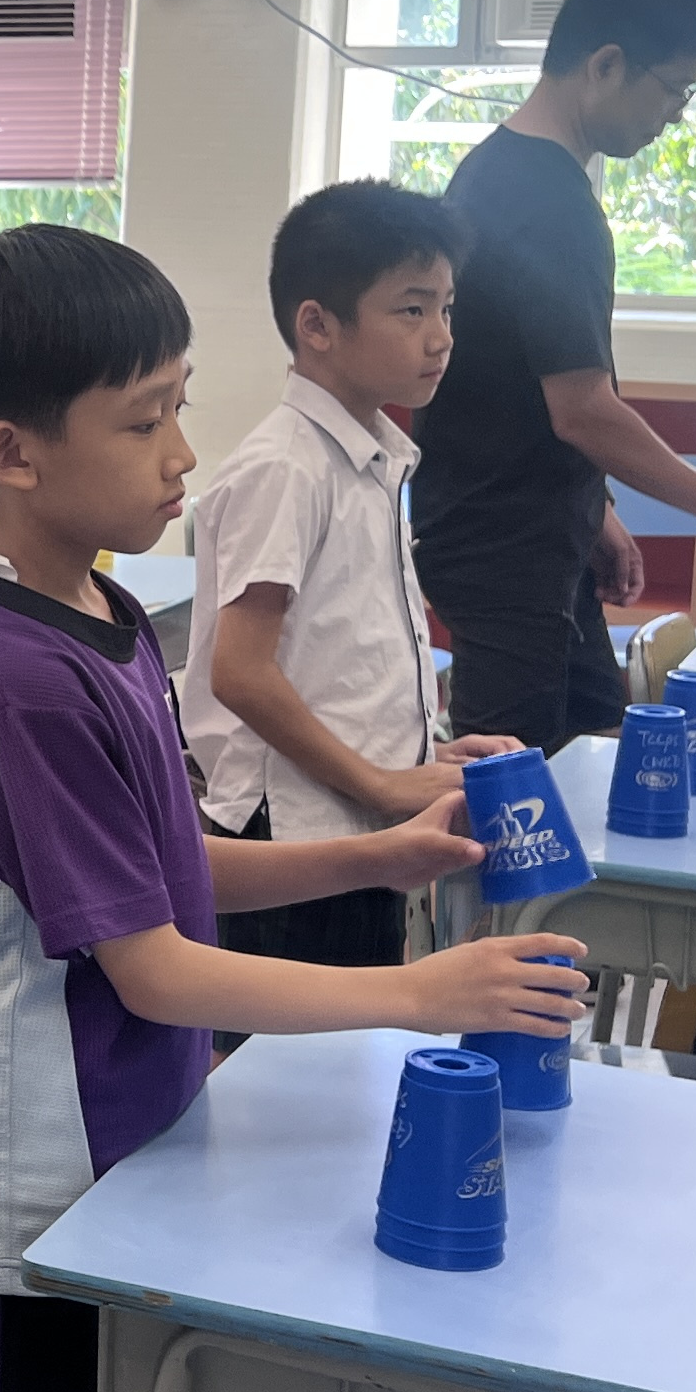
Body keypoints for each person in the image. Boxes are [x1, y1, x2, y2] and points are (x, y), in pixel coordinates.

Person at [0, 224, 588, 1392]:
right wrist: (415, 993)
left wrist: (367, 860)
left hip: (133, 1123)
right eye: (144, 421)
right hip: (27, 1168)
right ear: (14, 454)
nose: (181, 455)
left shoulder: (102, 613)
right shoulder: (11, 675)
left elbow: (162, 860)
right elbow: (152, 965)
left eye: (180, 407)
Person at [410, 0, 696, 748]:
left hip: (530, 538)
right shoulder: (549, 203)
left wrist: (597, 508)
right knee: (512, 793)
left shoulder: (500, 172)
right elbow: (582, 408)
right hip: (506, 552)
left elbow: (519, 381)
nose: (676, 115)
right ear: (606, 65)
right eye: (676, 88)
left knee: (591, 759)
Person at [182, 180, 526, 973]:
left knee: (356, 1032)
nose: (440, 337)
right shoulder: (286, 468)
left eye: (447, 308)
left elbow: (343, 655)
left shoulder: (370, 459)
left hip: (354, 821)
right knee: (287, 1046)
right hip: (292, 835)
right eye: (411, 310)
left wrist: (427, 753)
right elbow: (241, 672)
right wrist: (380, 783)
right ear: (318, 326)